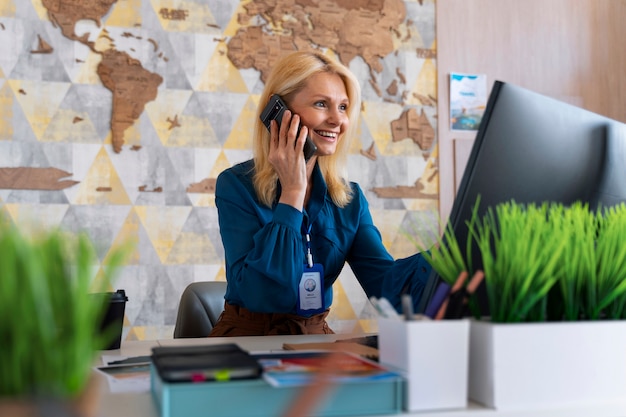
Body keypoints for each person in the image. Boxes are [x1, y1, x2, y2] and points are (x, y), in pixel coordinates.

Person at [209, 50, 432, 336]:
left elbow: (386, 288)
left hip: (314, 338)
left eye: (342, 107)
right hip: (247, 339)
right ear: (279, 112)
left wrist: (452, 253)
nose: (337, 120)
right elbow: (264, 293)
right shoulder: (236, 185)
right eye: (321, 104)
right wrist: (293, 191)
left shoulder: (348, 199)